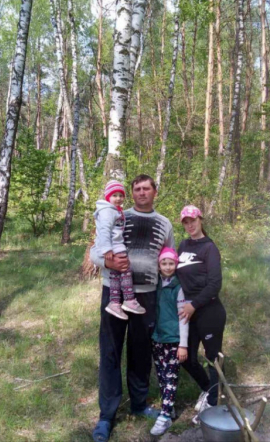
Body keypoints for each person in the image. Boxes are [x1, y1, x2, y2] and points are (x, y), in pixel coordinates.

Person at [90, 175, 175, 442]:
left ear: (155, 192)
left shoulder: (165, 224)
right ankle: (107, 415)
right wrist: (109, 264)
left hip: (147, 297)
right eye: (136, 189)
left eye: (145, 188)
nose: (140, 193)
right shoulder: (116, 214)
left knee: (140, 352)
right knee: (111, 352)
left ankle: (138, 403)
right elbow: (95, 251)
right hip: (114, 295)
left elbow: (168, 261)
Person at [176, 205, 226, 424]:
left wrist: (194, 305)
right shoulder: (183, 245)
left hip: (208, 310)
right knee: (184, 356)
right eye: (185, 222)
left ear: (200, 219)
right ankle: (209, 389)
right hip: (188, 311)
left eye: (193, 220)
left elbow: (215, 283)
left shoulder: (209, 248)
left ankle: (213, 405)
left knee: (212, 358)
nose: (190, 225)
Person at [93, 180, 146, 320]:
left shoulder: (115, 211)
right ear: (108, 197)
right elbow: (104, 230)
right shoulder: (107, 211)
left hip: (114, 244)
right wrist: (106, 249)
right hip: (114, 246)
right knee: (125, 269)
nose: (118, 198)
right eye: (114, 195)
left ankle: (115, 302)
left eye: (120, 195)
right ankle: (128, 299)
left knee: (116, 275)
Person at [150, 247, 188, 436]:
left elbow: (183, 318)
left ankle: (164, 416)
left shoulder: (179, 287)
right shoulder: (155, 284)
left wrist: (183, 344)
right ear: (158, 265)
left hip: (173, 339)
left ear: (176, 265)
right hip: (157, 337)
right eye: (163, 263)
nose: (167, 266)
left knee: (171, 377)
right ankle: (169, 407)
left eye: (170, 263)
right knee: (162, 376)